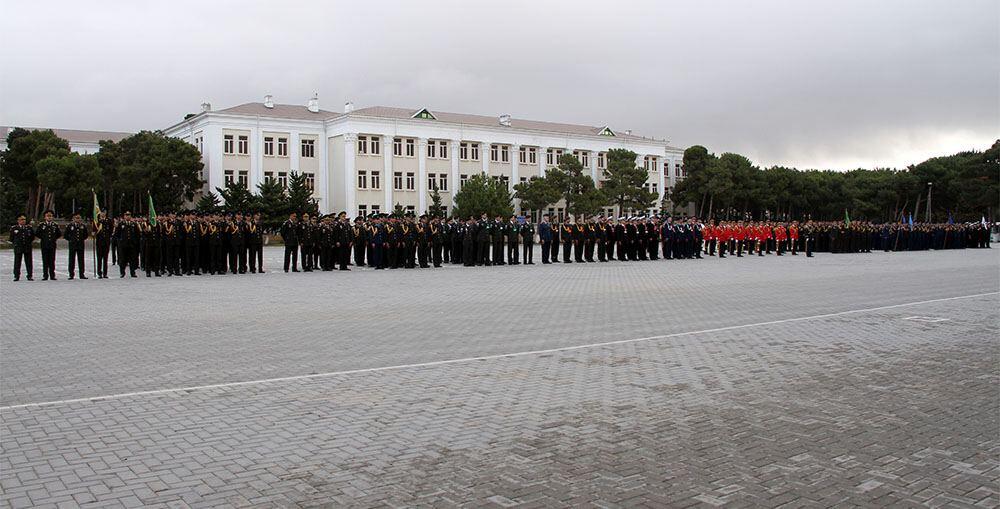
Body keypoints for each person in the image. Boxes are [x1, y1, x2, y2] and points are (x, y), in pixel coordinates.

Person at [36, 210, 61, 281]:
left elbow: (58, 234)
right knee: (45, 260)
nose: (49, 217)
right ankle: (45, 275)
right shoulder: (42, 225)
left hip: (52, 245)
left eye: (51, 216)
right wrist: (44, 238)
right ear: (45, 217)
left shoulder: (55, 225)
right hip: (44, 245)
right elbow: (38, 233)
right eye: (48, 216)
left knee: (52, 260)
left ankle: (52, 275)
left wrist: (53, 238)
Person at [64, 212, 89, 280]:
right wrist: (71, 240)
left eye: (79, 218)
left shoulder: (83, 226)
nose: (78, 219)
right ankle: (71, 274)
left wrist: (81, 239)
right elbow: (65, 235)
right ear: (73, 219)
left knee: (81, 260)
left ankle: (82, 274)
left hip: (80, 245)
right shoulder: (70, 226)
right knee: (71, 260)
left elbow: (86, 235)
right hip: (72, 245)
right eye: (76, 218)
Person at [9, 214, 34, 281]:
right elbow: (11, 238)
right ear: (18, 220)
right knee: (17, 262)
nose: (23, 221)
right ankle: (16, 276)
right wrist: (16, 244)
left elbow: (32, 237)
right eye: (22, 219)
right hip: (18, 247)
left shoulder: (29, 228)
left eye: (24, 219)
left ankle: (29, 275)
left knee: (29, 262)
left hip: (27, 247)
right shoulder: (14, 228)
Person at [114, 211, 139, 278]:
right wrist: (120, 242)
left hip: (131, 244)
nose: (128, 216)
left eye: (129, 215)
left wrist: (135, 242)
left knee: (132, 259)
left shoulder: (134, 224)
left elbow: (137, 234)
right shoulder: (121, 224)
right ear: (124, 216)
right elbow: (117, 234)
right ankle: (122, 272)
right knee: (123, 259)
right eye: (126, 215)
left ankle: (132, 272)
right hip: (123, 245)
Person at [93, 210, 113, 278]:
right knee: (99, 259)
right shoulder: (97, 221)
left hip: (106, 242)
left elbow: (111, 230)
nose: (102, 214)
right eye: (101, 213)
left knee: (105, 259)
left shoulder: (109, 221)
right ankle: (99, 273)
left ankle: (105, 273)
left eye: (104, 213)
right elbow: (94, 230)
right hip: (99, 242)